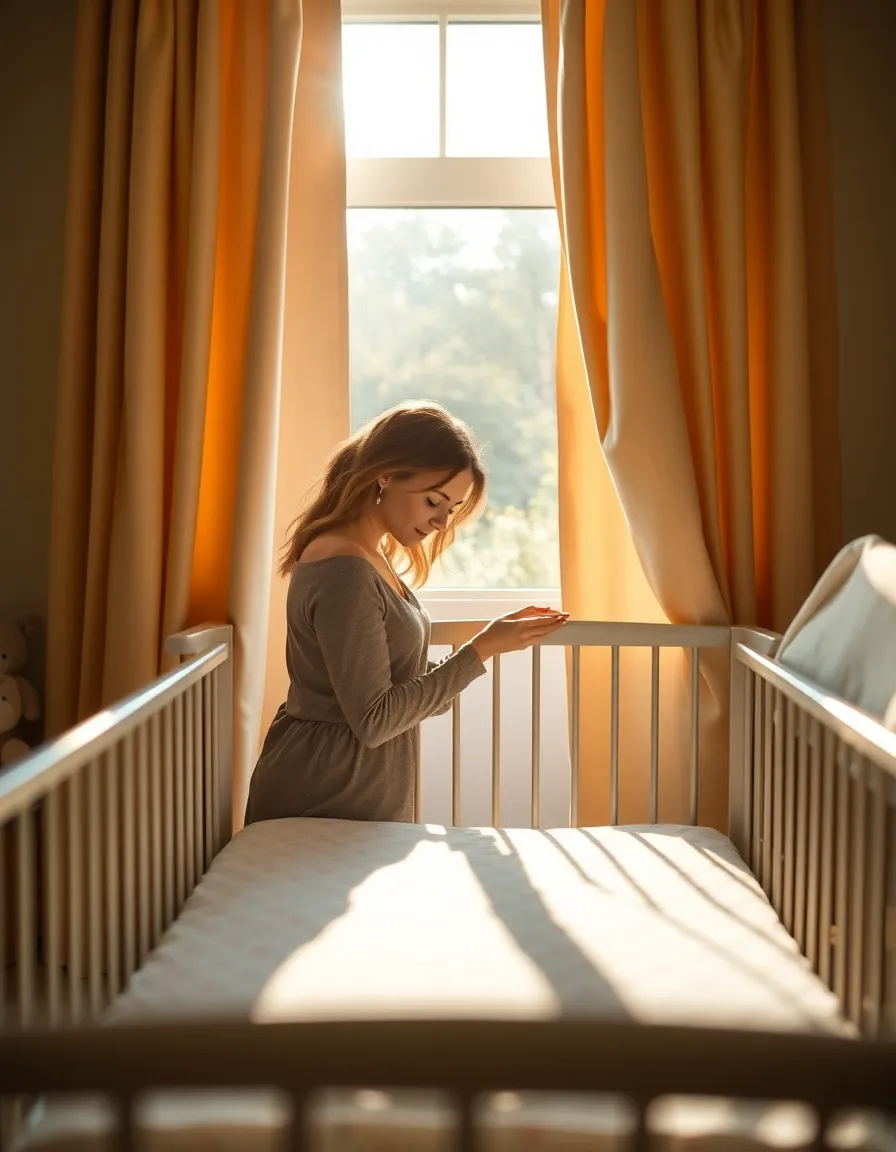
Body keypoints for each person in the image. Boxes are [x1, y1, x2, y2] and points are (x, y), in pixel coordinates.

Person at [244, 402, 568, 825]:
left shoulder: (366, 557)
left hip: (350, 790)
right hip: (324, 794)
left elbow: (395, 691)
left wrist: (489, 642)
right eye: (434, 501)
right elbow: (376, 720)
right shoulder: (345, 567)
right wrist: (482, 649)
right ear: (387, 474)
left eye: (450, 509)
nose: (440, 521)